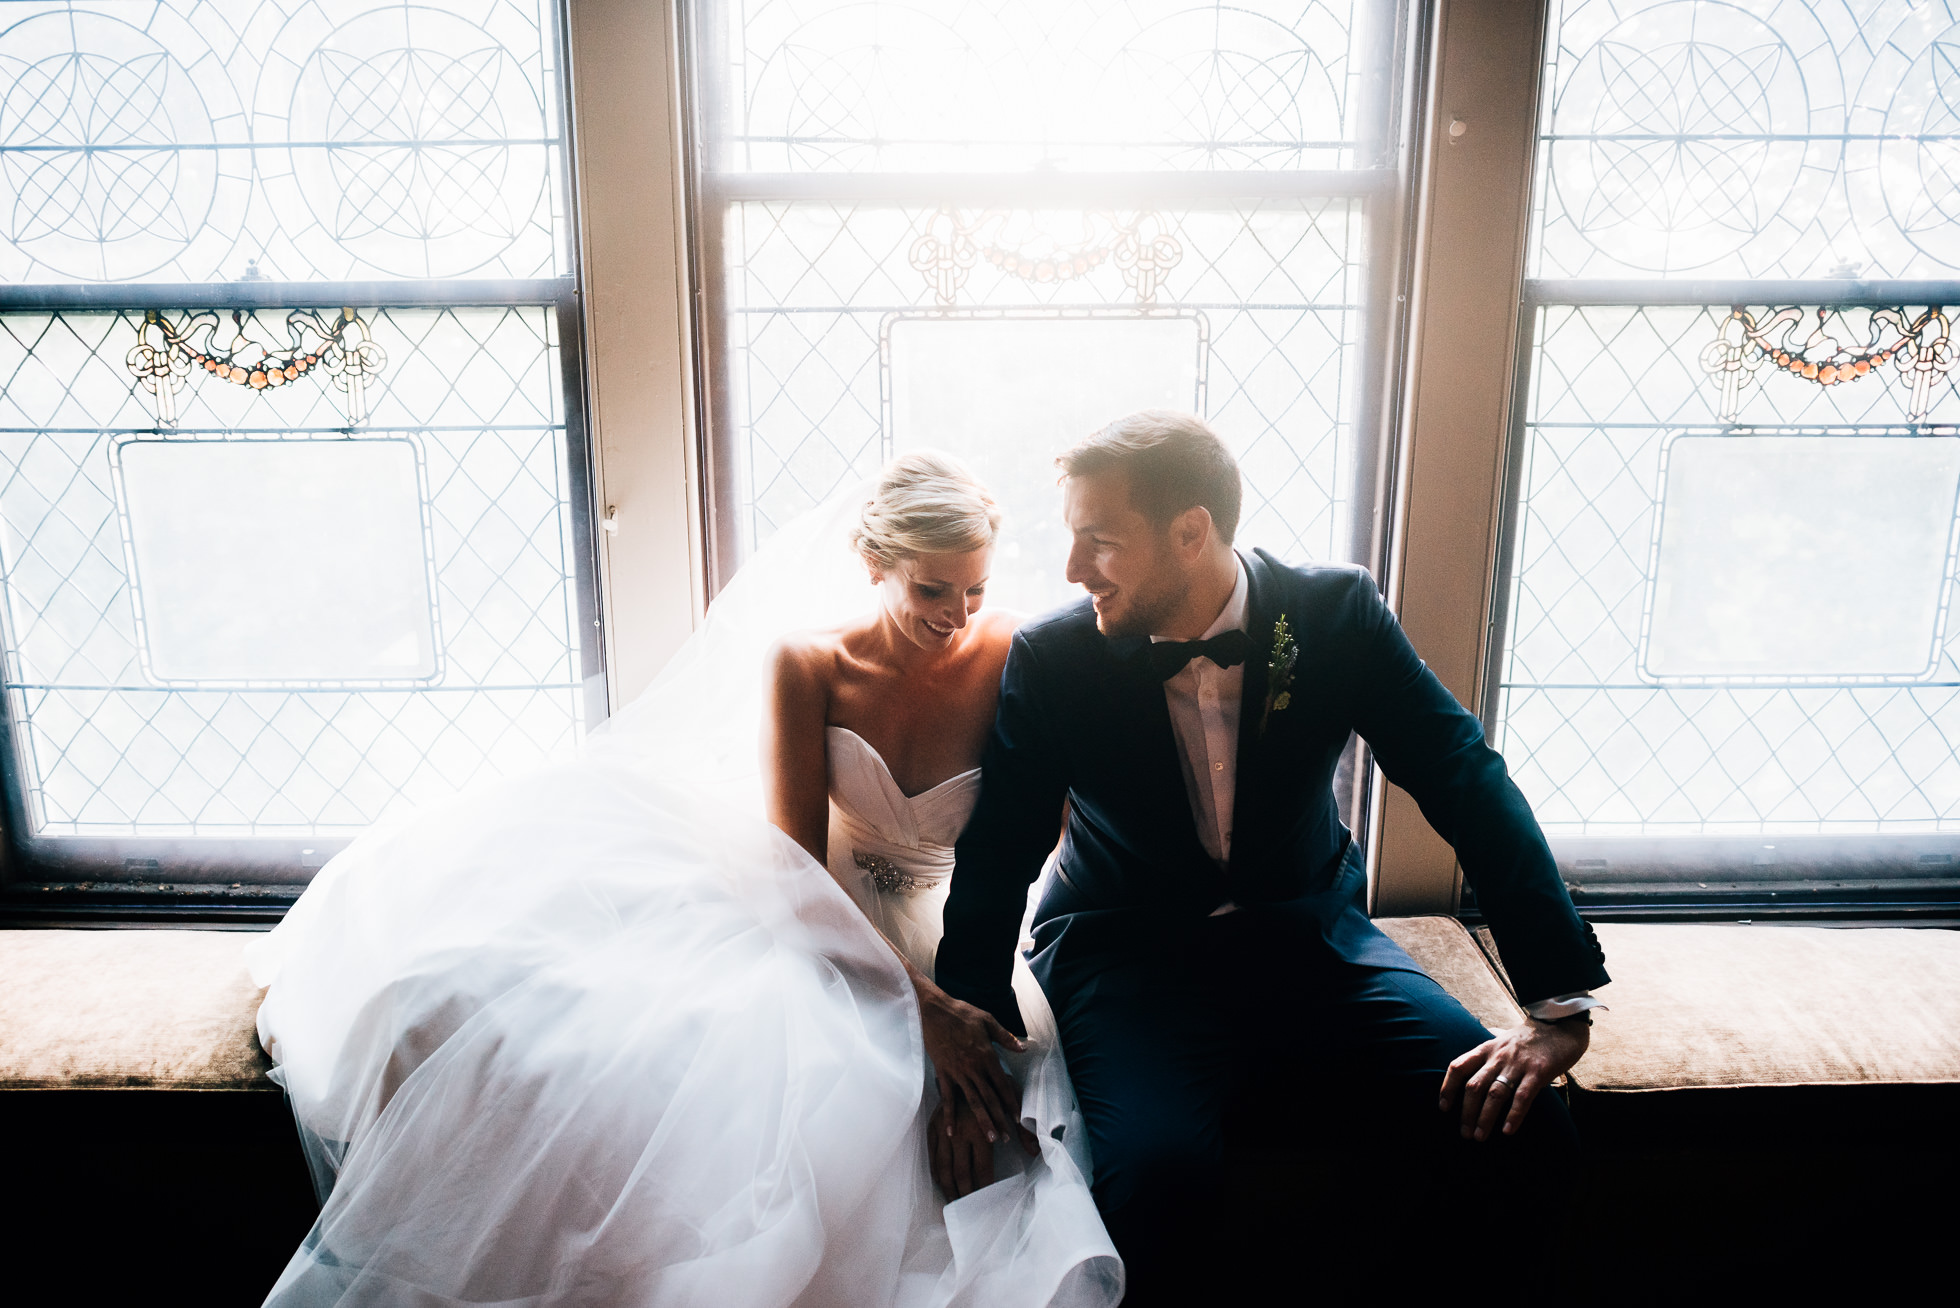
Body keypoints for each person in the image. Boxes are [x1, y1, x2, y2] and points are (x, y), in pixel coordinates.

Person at [246, 452, 1121, 1306]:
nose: (957, 614)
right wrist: (921, 1010)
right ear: (872, 564)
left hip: (962, 923)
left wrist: (962, 992)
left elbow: (1032, 843)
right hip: (823, 917)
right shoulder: (809, 665)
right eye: (932, 589)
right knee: (585, 1051)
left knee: (985, 1146)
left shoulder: (1016, 653)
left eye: (973, 587)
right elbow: (798, 874)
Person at [932, 411, 1611, 1301]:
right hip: (1128, 958)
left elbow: (1463, 779)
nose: (1071, 569)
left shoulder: (1334, 616)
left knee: (1529, 1133)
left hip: (1313, 941)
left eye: (1099, 541)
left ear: (1191, 532)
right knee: (1157, 1186)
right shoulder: (1057, 659)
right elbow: (1004, 841)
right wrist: (966, 1024)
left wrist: (1555, 1006)